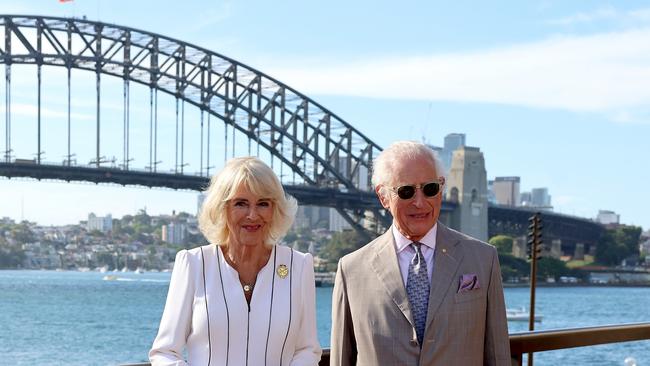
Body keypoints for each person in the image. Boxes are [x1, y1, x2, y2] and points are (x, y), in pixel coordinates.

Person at [330, 141, 510, 365]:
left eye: (430, 189)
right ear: (383, 197)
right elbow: (340, 359)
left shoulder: (483, 259)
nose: (420, 202)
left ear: (441, 188)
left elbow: (498, 356)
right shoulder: (351, 270)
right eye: (406, 191)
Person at [150, 156, 322, 366]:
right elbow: (165, 352)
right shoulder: (193, 264)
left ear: (275, 209)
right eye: (241, 203)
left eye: (263, 204)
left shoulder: (298, 266)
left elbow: (307, 349)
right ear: (222, 208)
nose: (252, 215)